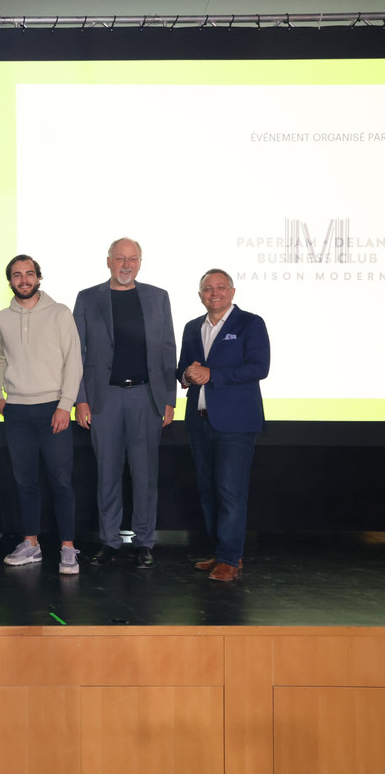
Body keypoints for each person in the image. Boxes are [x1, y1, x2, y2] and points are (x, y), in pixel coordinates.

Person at [73, 238, 176, 569]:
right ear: (108, 262)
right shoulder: (88, 299)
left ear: (141, 262)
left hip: (146, 397)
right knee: (107, 475)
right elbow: (77, 355)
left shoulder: (158, 297)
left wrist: (169, 399)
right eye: (120, 258)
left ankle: (145, 542)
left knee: (145, 475)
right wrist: (81, 400)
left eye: (132, 259)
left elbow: (166, 349)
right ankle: (109, 541)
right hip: (105, 399)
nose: (126, 264)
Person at [0, 255, 83, 575]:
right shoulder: (0, 319)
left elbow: (74, 361)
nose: (24, 280)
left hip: (52, 408)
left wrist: (64, 404)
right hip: (16, 412)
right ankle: (31, 544)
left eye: (29, 274)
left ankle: (68, 548)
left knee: (60, 481)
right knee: (25, 481)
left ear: (39, 278)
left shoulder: (59, 313)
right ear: (10, 281)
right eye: (17, 275)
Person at [177, 269, 269, 583]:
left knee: (230, 492)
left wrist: (211, 374)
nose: (213, 293)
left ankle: (230, 559)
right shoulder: (192, 327)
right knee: (208, 491)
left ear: (231, 291)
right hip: (199, 422)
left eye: (220, 288)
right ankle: (222, 552)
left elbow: (259, 367)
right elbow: (184, 370)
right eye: (207, 289)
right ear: (200, 294)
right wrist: (187, 376)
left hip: (236, 424)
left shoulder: (250, 324)